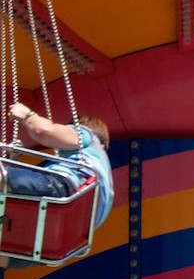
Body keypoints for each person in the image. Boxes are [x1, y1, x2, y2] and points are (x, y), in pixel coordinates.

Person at [1, 101, 114, 250]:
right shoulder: (102, 171)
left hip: (67, 191)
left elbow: (44, 131)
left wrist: (26, 115)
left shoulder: (87, 136)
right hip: (62, 236)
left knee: (5, 177)